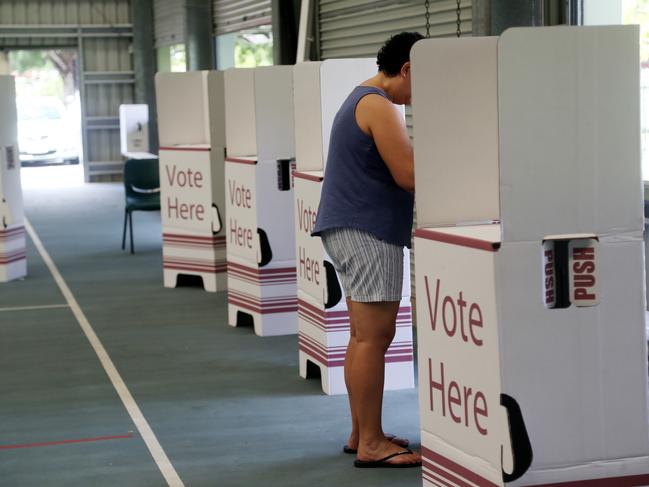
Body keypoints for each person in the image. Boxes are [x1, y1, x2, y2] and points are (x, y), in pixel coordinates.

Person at [312, 32, 423, 468]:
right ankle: (373, 443)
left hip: (350, 227)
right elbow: (408, 175)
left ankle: (363, 433)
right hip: (367, 229)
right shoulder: (379, 104)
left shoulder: (361, 97)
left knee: (362, 337)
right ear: (408, 69)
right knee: (374, 338)